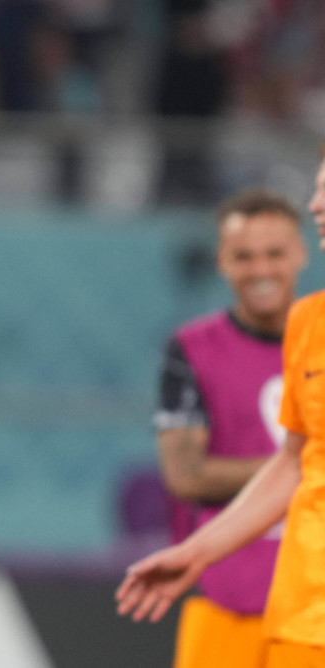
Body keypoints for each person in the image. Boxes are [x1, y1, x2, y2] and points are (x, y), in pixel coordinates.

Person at [117, 147, 325, 666]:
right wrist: (196, 551)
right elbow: (296, 463)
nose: (317, 204)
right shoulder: (310, 325)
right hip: (298, 616)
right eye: (317, 190)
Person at [150, 190, 306, 668]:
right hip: (225, 596)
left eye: (274, 254)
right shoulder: (191, 350)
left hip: (311, 599)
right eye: (244, 256)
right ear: (222, 261)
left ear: (300, 253)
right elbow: (185, 476)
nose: (261, 270)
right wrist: (302, 469)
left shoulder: (317, 339)